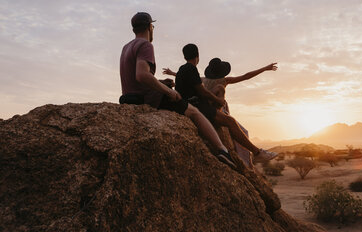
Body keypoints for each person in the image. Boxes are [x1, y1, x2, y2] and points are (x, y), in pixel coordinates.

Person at [119, 12, 236, 168]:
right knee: (194, 112)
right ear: (149, 27)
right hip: (148, 99)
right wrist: (169, 91)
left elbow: (135, 77)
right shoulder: (146, 45)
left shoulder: (126, 47)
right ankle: (222, 150)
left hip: (129, 97)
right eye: (152, 26)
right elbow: (141, 75)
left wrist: (160, 82)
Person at [173, 43, 278, 163]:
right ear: (197, 56)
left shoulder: (186, 71)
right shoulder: (196, 71)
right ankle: (257, 153)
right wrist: (219, 101)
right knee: (231, 121)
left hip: (189, 104)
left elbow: (192, 85)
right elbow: (245, 76)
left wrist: (172, 73)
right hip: (198, 107)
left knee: (219, 89)